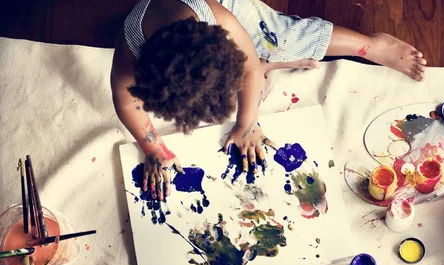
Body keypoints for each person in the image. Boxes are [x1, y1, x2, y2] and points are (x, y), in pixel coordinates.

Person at [110, 0, 427, 200]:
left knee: (280, 40)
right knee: (262, 61)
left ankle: (371, 46)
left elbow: (249, 71)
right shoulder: (131, 44)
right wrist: (157, 149)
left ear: (224, 46)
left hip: (223, 5)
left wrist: (247, 123)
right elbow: (126, 101)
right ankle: (268, 62)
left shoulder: (221, 21)